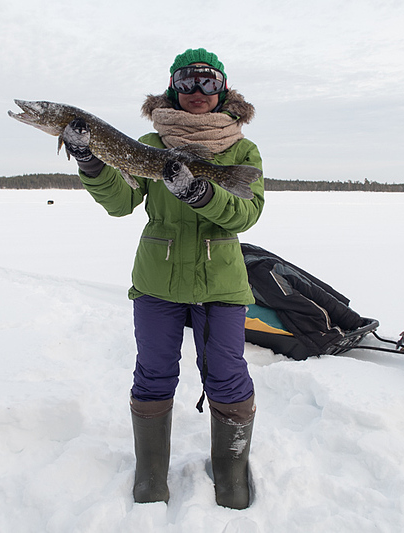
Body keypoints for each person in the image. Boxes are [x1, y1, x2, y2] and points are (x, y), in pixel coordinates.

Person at [61, 48, 265, 509]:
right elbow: (119, 202)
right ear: (173, 88)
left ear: (224, 89)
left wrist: (199, 192)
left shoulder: (241, 151)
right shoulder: (148, 144)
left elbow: (246, 214)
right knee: (153, 374)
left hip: (221, 283)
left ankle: (230, 468)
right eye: (187, 82)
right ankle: (151, 471)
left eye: (208, 82)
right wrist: (91, 163)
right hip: (158, 282)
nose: (197, 92)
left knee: (228, 376)